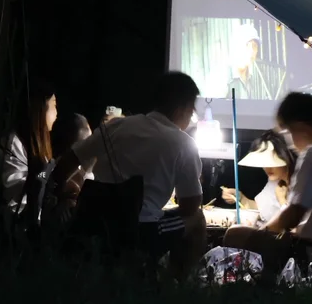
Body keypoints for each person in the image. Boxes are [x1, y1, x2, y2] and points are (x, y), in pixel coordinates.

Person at [49, 71, 206, 279]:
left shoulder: (114, 126)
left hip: (91, 223)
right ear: (182, 109)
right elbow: (190, 206)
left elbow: (64, 166)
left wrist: (61, 199)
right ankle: (175, 285)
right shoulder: (184, 143)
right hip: (139, 231)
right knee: (197, 219)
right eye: (192, 111)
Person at [223, 92, 312, 276]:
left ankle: (249, 289)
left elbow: (293, 215)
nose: (289, 143)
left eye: (286, 133)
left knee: (235, 234)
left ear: (299, 127)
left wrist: (262, 232)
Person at [0, 82, 58, 223]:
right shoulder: (14, 143)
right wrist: (43, 176)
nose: (57, 112)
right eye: (54, 105)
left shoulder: (40, 147)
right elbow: (13, 195)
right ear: (40, 108)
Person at [220, 130, 297, 226]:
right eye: (264, 162)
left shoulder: (301, 182)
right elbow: (261, 209)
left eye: (272, 162)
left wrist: (282, 201)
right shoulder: (275, 181)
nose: (267, 168)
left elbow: (295, 225)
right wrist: (240, 198)